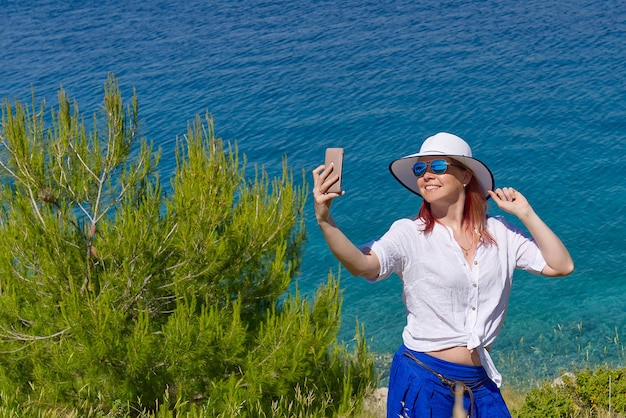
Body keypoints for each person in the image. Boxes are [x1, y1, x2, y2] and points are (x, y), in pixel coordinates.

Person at [312, 132, 574, 418]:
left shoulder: (502, 233)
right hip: (423, 379)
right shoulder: (408, 234)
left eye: (438, 167)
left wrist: (526, 213)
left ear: (465, 177)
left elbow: (561, 266)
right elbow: (362, 265)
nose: (426, 175)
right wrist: (325, 220)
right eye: (420, 169)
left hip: (480, 382)